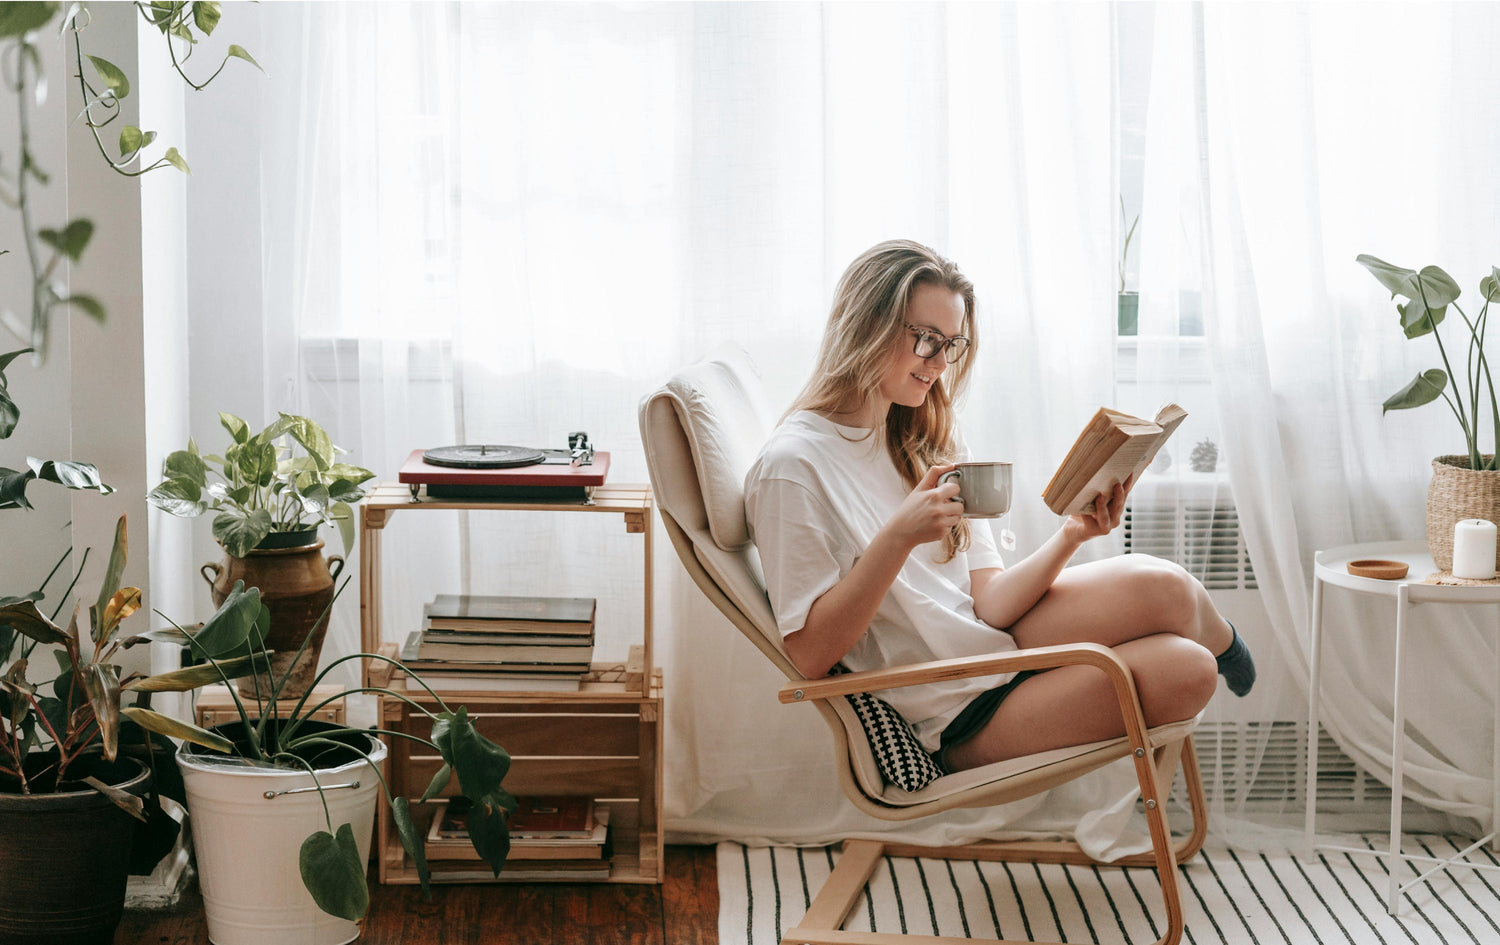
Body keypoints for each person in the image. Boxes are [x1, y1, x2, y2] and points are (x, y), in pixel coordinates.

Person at [743, 239, 1254, 775]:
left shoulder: (920, 435)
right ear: (865, 326)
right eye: (926, 339)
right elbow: (808, 656)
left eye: (952, 344)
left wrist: (1073, 534)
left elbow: (987, 601)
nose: (940, 363)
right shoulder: (792, 467)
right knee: (1189, 671)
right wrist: (898, 537)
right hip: (954, 710)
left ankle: (1229, 648)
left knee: (1168, 587)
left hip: (992, 645)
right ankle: (1217, 652)